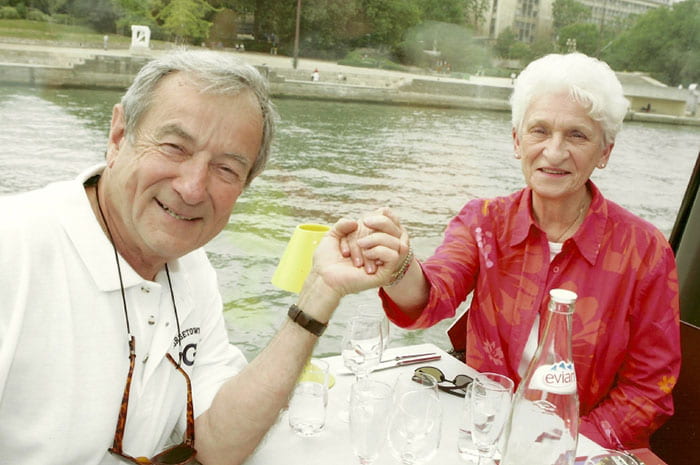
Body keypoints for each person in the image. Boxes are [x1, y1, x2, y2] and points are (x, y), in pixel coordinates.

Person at [0, 50, 393, 465]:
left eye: (226, 169)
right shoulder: (12, 249)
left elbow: (217, 443)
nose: (192, 188)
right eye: (174, 147)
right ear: (118, 136)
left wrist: (319, 292)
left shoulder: (190, 267)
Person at [343, 52, 681, 449]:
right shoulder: (483, 222)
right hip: (481, 436)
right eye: (539, 131)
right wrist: (400, 266)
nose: (554, 152)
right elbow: (435, 295)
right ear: (517, 142)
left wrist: (551, 445)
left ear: (605, 152)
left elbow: (648, 393)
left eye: (577, 135)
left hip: (577, 451)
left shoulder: (645, 252)